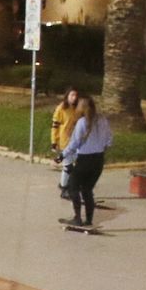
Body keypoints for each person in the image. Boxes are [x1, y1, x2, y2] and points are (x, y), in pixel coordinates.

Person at [58, 94, 113, 229]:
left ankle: (77, 218)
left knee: (72, 187)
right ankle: (88, 220)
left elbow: (74, 143)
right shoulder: (103, 120)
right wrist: (101, 148)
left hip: (84, 160)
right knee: (87, 190)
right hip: (98, 160)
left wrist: (62, 155)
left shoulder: (82, 122)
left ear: (81, 108)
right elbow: (109, 140)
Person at [49, 86, 81, 199]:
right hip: (64, 141)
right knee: (68, 167)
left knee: (73, 166)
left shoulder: (77, 109)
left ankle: (66, 184)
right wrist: (54, 141)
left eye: (76, 95)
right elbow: (55, 125)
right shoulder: (61, 108)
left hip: (75, 141)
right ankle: (64, 189)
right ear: (67, 96)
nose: (74, 97)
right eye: (72, 95)